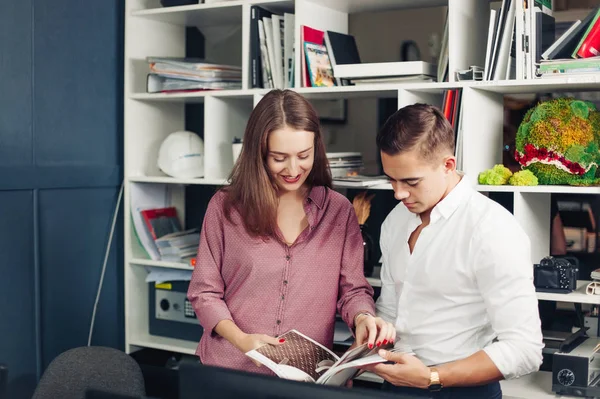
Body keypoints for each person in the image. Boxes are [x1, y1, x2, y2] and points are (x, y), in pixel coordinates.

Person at [187, 89, 395, 375]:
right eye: (279, 157)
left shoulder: (338, 211)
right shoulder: (225, 207)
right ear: (258, 154)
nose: (294, 169)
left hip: (305, 377)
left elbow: (353, 290)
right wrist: (243, 340)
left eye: (303, 155)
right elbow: (204, 292)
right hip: (230, 369)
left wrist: (362, 317)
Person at [363, 104, 544, 398]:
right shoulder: (396, 220)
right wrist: (375, 335)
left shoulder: (492, 229)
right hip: (395, 385)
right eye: (391, 179)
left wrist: (432, 377)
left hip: (462, 390)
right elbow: (392, 308)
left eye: (411, 181)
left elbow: (525, 349)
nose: (398, 193)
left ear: (448, 165)